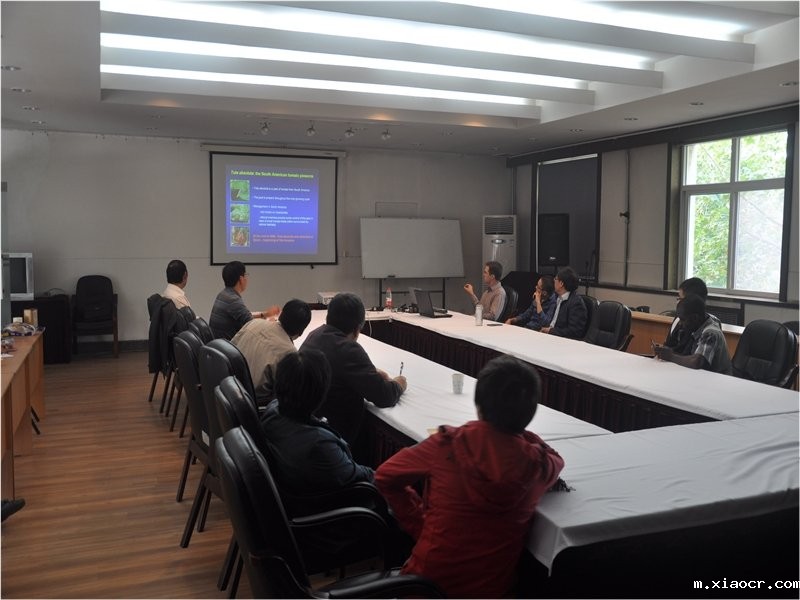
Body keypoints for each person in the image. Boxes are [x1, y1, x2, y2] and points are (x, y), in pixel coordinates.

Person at [375, 355, 564, 599]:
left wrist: (420, 523)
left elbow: (385, 476)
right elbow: (556, 459)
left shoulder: (448, 444)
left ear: (478, 405)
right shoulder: (536, 464)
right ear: (531, 412)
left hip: (425, 588)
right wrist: (521, 433)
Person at [260, 349, 375, 495]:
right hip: (329, 504)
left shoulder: (272, 410)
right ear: (321, 392)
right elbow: (361, 477)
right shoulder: (320, 445)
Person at [300, 292, 406, 448]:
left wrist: (370, 371)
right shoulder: (349, 349)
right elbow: (384, 396)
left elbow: (337, 366)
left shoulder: (314, 335)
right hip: (333, 438)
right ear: (357, 329)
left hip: (307, 427)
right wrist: (399, 384)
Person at [232, 299, 312, 405]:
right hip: (257, 405)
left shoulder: (254, 323)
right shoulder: (290, 354)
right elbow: (287, 396)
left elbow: (230, 347)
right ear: (301, 332)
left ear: (281, 314)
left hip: (230, 390)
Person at [653, 293, 732, 374]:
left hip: (719, 379)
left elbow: (697, 362)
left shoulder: (710, 333)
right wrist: (667, 352)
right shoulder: (697, 326)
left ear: (695, 318)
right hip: (702, 376)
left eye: (683, 319)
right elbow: (689, 356)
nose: (680, 323)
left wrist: (671, 356)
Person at [208, 261, 279, 340]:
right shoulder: (233, 300)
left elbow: (244, 316)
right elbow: (253, 326)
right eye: (245, 275)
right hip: (231, 345)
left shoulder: (223, 294)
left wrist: (265, 314)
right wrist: (270, 323)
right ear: (241, 279)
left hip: (219, 344)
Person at [664, 277, 720, 346]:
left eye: (681, 299)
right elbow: (668, 345)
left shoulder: (711, 328)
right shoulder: (679, 319)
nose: (677, 302)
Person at [540, 266, 587, 339]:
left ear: (561, 283)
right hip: (550, 335)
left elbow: (573, 332)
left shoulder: (576, 303)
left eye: (555, 279)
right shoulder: (557, 297)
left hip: (561, 340)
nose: (554, 280)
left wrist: (550, 331)